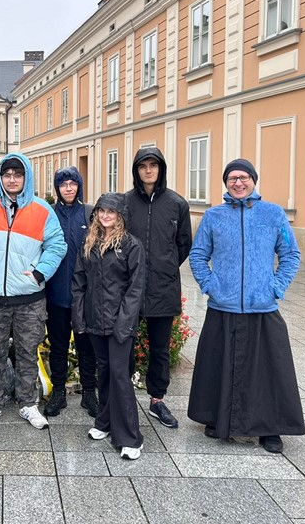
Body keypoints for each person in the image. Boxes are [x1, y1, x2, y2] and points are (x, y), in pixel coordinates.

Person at [187, 159, 304, 454]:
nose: (238, 183)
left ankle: (269, 427)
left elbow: (291, 254)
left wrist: (275, 287)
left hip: (261, 307)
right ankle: (217, 418)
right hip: (223, 307)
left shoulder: (273, 214)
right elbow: (198, 255)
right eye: (232, 179)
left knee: (268, 370)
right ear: (226, 183)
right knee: (219, 365)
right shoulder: (213, 216)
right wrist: (211, 285)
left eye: (243, 177)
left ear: (253, 180)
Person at [0, 153, 67, 430]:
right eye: (7, 174)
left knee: (27, 353)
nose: (12, 179)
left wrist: (39, 272)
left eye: (17, 174)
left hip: (30, 300)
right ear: (0, 177)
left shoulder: (42, 210)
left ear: (26, 177)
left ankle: (28, 403)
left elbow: (57, 245)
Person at [72, 193, 146, 460]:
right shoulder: (90, 242)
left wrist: (124, 324)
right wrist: (79, 317)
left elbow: (136, 288)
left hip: (119, 322)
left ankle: (130, 437)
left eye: (111, 212)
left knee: (119, 375)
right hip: (95, 320)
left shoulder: (131, 245)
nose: (105, 215)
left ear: (120, 215)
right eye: (101, 211)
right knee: (103, 371)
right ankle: (104, 421)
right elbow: (79, 282)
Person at [124, 147, 192, 428]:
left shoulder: (177, 204)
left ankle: (157, 400)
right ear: (136, 170)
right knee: (124, 344)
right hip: (129, 287)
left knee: (160, 349)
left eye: (153, 165)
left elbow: (184, 244)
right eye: (143, 166)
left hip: (163, 287)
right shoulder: (125, 202)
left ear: (161, 169)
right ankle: (122, 396)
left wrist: (165, 265)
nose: (148, 170)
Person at [44, 166, 98, 418]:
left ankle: (89, 392)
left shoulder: (89, 214)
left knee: (87, 347)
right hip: (56, 294)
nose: (68, 188)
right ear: (57, 188)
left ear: (79, 186)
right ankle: (58, 392)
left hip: (85, 296)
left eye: (72, 183)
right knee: (58, 346)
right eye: (63, 184)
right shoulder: (49, 214)